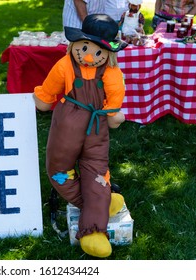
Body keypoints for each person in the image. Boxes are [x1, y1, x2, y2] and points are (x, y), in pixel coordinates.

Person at [33, 14, 128, 258]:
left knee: (95, 171)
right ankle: (101, 204)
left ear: (108, 54)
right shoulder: (65, 65)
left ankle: (92, 231)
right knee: (60, 170)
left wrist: (114, 113)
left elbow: (114, 102)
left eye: (97, 52)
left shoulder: (110, 71)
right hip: (73, 128)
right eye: (84, 48)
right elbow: (47, 96)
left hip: (92, 127)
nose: (88, 56)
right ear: (75, 43)